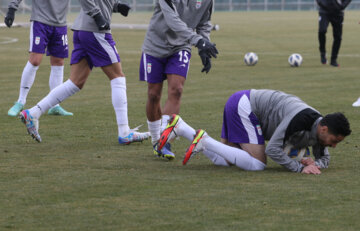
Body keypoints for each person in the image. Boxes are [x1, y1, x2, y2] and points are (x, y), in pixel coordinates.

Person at [19, 0, 150, 144]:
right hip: (95, 30)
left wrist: (116, 6)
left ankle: (33, 113)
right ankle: (124, 132)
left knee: (75, 83)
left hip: (83, 30)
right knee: (118, 77)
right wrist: (98, 16)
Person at [157, 89, 351, 175]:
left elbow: (324, 160)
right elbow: (273, 149)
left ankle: (181, 127)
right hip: (245, 106)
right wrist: (300, 168)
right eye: (334, 140)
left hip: (242, 103)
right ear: (324, 129)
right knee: (258, 164)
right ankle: (204, 141)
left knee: (225, 161)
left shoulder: (320, 130)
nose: (333, 146)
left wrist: (314, 162)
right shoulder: (299, 119)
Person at [139, 0, 219, 160]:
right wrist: (198, 41)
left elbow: (203, 22)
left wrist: (204, 44)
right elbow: (173, 20)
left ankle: (165, 140)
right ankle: (156, 140)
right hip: (155, 45)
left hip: (181, 46)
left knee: (176, 90)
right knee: (153, 94)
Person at [5, 0, 73, 117]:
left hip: (60, 23)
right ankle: (20, 101)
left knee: (58, 62)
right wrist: (12, 9)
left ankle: (55, 105)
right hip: (40, 21)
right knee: (35, 60)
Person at [316, 0, 352, 67]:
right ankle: (323, 53)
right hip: (324, 11)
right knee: (322, 31)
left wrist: (341, 6)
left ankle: (333, 60)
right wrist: (321, 3)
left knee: (338, 37)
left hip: (338, 13)